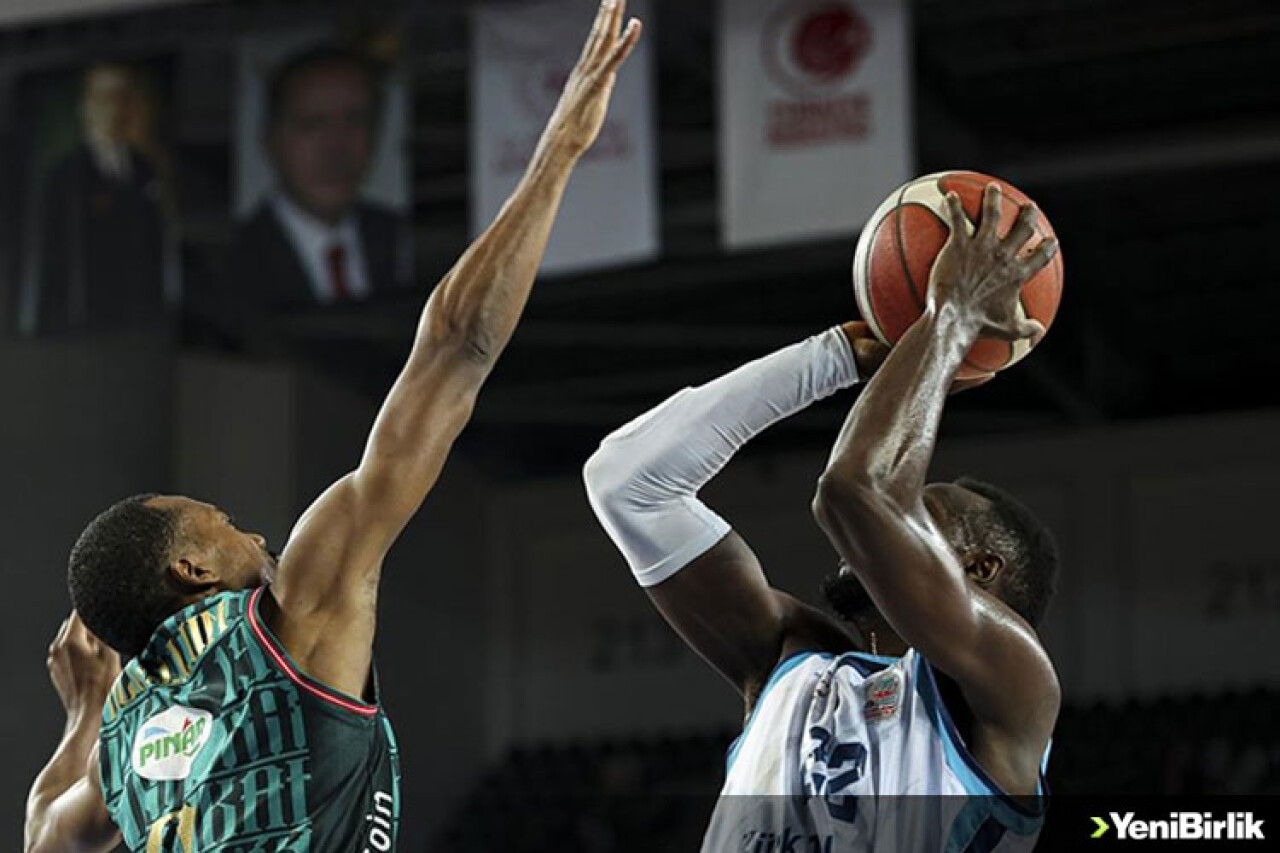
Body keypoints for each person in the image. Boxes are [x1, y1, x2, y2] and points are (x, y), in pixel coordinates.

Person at [23, 4, 642, 852]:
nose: (254, 533)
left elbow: (44, 836)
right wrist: (559, 150)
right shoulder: (293, 613)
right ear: (191, 568)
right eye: (224, 523)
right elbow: (453, 350)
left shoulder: (123, 745)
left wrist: (84, 713)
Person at [584, 184, 1061, 850]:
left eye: (920, 510)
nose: (896, 513)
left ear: (979, 569)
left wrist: (953, 314)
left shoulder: (1014, 684)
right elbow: (628, 483)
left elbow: (857, 492)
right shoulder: (792, 660)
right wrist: (832, 357)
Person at [222, 43, 410, 318]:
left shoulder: (403, 241)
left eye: (354, 121)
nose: (335, 148)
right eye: (311, 124)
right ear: (271, 140)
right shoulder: (227, 265)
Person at [24, 62, 167, 336]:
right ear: (86, 107)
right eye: (103, 98)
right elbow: (51, 265)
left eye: (121, 97)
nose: (113, 108)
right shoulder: (62, 177)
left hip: (139, 324)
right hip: (83, 327)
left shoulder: (145, 170)